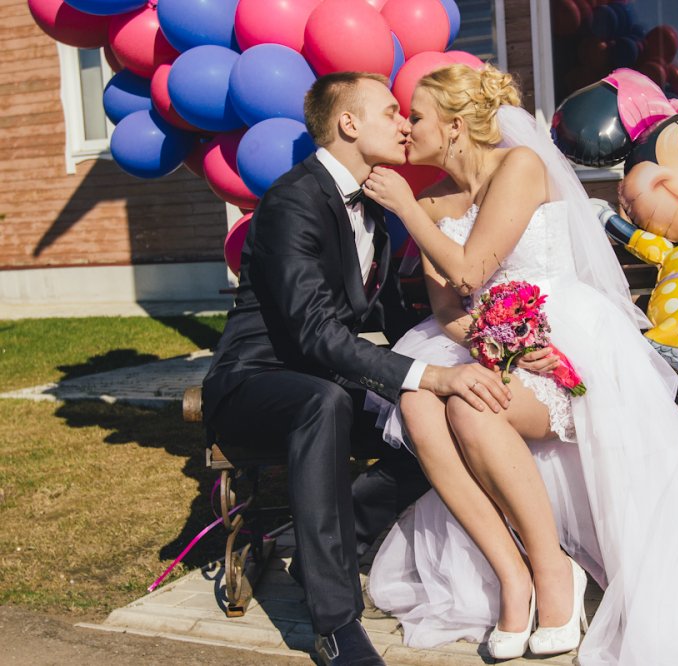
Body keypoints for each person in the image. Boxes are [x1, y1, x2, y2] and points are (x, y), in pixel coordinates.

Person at [362, 64, 678, 664]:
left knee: (472, 411)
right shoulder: (430, 200)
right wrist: (497, 344)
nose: (405, 126)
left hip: (568, 342)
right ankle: (513, 575)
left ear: (453, 125)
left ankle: (553, 571)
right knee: (417, 400)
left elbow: (471, 270)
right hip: (490, 340)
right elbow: (450, 309)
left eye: (415, 115)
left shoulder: (518, 166)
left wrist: (406, 209)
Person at [200, 71, 511, 666]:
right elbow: (314, 332)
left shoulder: (378, 207)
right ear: (348, 123)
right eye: (391, 111)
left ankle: (328, 548)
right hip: (252, 383)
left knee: (433, 423)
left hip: (324, 380)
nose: (404, 123)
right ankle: (335, 623)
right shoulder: (292, 201)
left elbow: (394, 320)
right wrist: (427, 375)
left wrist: (473, 355)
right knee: (325, 404)